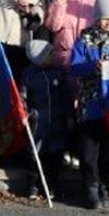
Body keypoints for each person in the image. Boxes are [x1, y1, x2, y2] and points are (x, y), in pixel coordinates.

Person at [69, 0, 109, 209]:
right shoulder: (84, 39)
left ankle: (106, 185)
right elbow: (74, 67)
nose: (107, 22)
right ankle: (90, 186)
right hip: (90, 102)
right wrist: (92, 66)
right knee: (89, 151)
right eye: (103, 18)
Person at [20, 34, 72, 200]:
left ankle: (52, 185)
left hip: (57, 119)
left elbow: (65, 96)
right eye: (49, 54)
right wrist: (24, 113)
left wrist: (69, 114)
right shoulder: (29, 75)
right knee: (36, 153)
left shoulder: (57, 73)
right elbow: (22, 97)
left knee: (55, 154)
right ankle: (34, 184)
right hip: (38, 121)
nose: (53, 56)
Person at [44, 0, 99, 71]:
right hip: (64, 57)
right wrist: (59, 5)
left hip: (87, 58)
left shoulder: (96, 0)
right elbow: (52, 27)